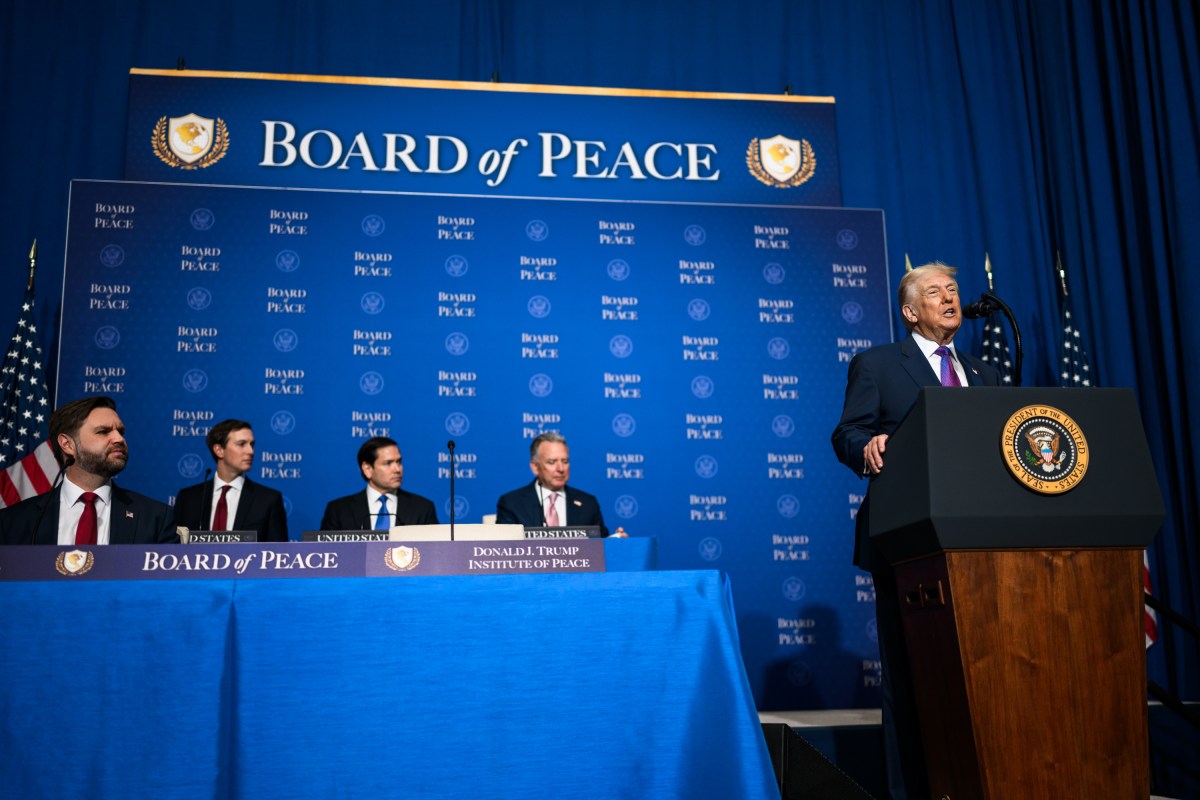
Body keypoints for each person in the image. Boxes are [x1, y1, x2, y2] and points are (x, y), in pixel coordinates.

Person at [831, 262, 1001, 800]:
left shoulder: (985, 374)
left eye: (952, 290)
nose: (949, 298)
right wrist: (868, 448)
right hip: (910, 542)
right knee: (913, 676)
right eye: (935, 292)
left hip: (983, 542)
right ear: (910, 312)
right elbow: (847, 433)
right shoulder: (879, 364)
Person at [0, 395, 176, 545]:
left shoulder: (155, 519)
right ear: (68, 445)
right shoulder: (13, 522)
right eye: (103, 432)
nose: (119, 439)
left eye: (120, 431)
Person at [173, 419, 288, 542]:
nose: (250, 451)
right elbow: (173, 550)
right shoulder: (188, 498)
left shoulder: (268, 500)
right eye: (241, 444)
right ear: (219, 450)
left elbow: (278, 555)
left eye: (252, 444)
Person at [495, 431, 625, 537]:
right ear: (535, 467)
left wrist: (616, 544)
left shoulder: (588, 504)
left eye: (565, 461)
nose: (561, 469)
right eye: (552, 462)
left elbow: (601, 547)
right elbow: (505, 550)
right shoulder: (512, 504)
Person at [320, 436, 438, 530]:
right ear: (368, 469)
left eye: (399, 462)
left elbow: (434, 553)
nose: (397, 469)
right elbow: (328, 555)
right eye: (388, 463)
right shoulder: (338, 510)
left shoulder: (422, 508)